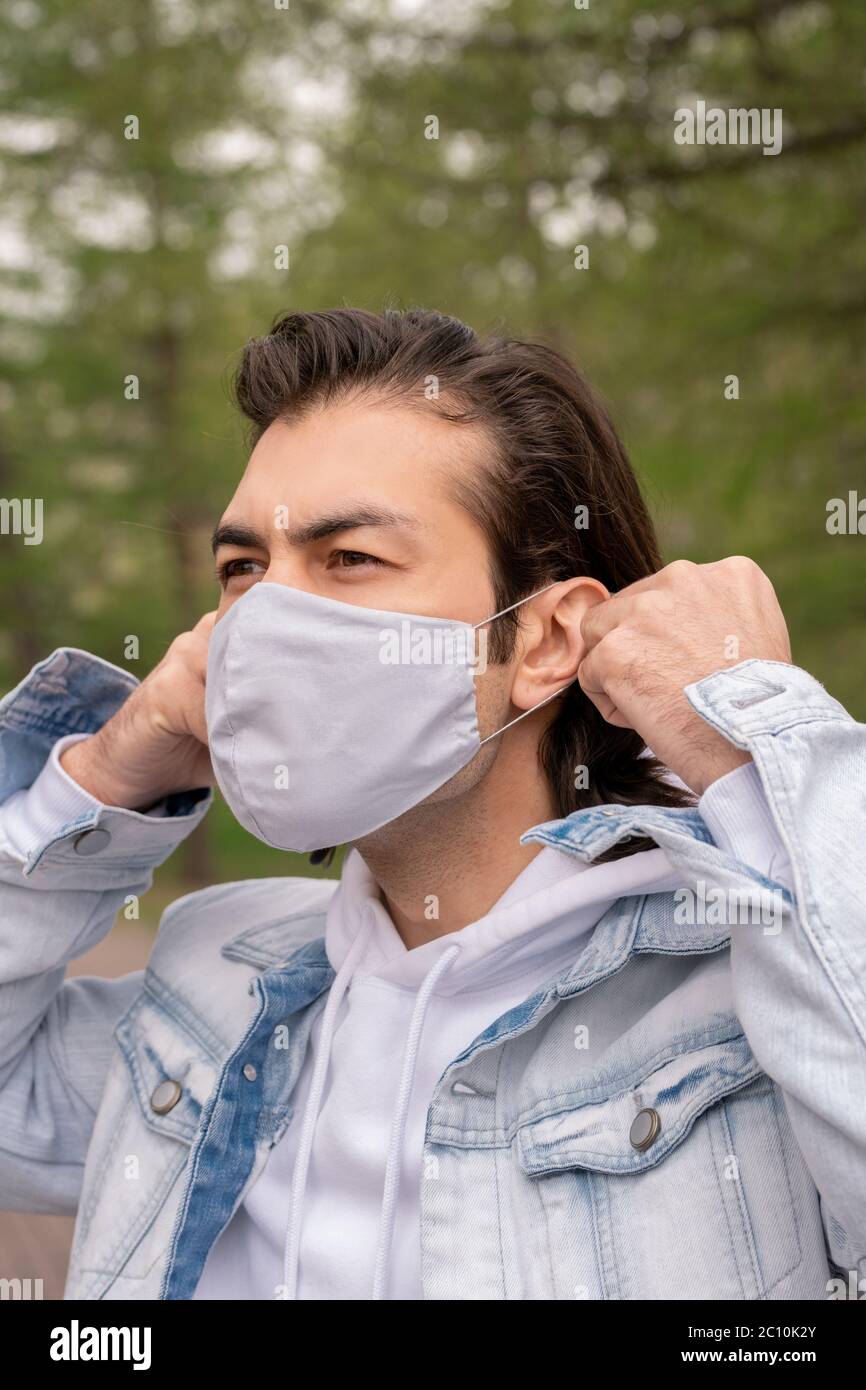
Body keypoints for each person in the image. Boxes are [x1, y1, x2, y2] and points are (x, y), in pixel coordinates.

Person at [0, 307, 862, 1301]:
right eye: (243, 569)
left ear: (543, 641)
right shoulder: (211, 979)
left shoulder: (749, 996)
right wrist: (104, 774)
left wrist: (748, 736)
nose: (264, 621)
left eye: (349, 558)